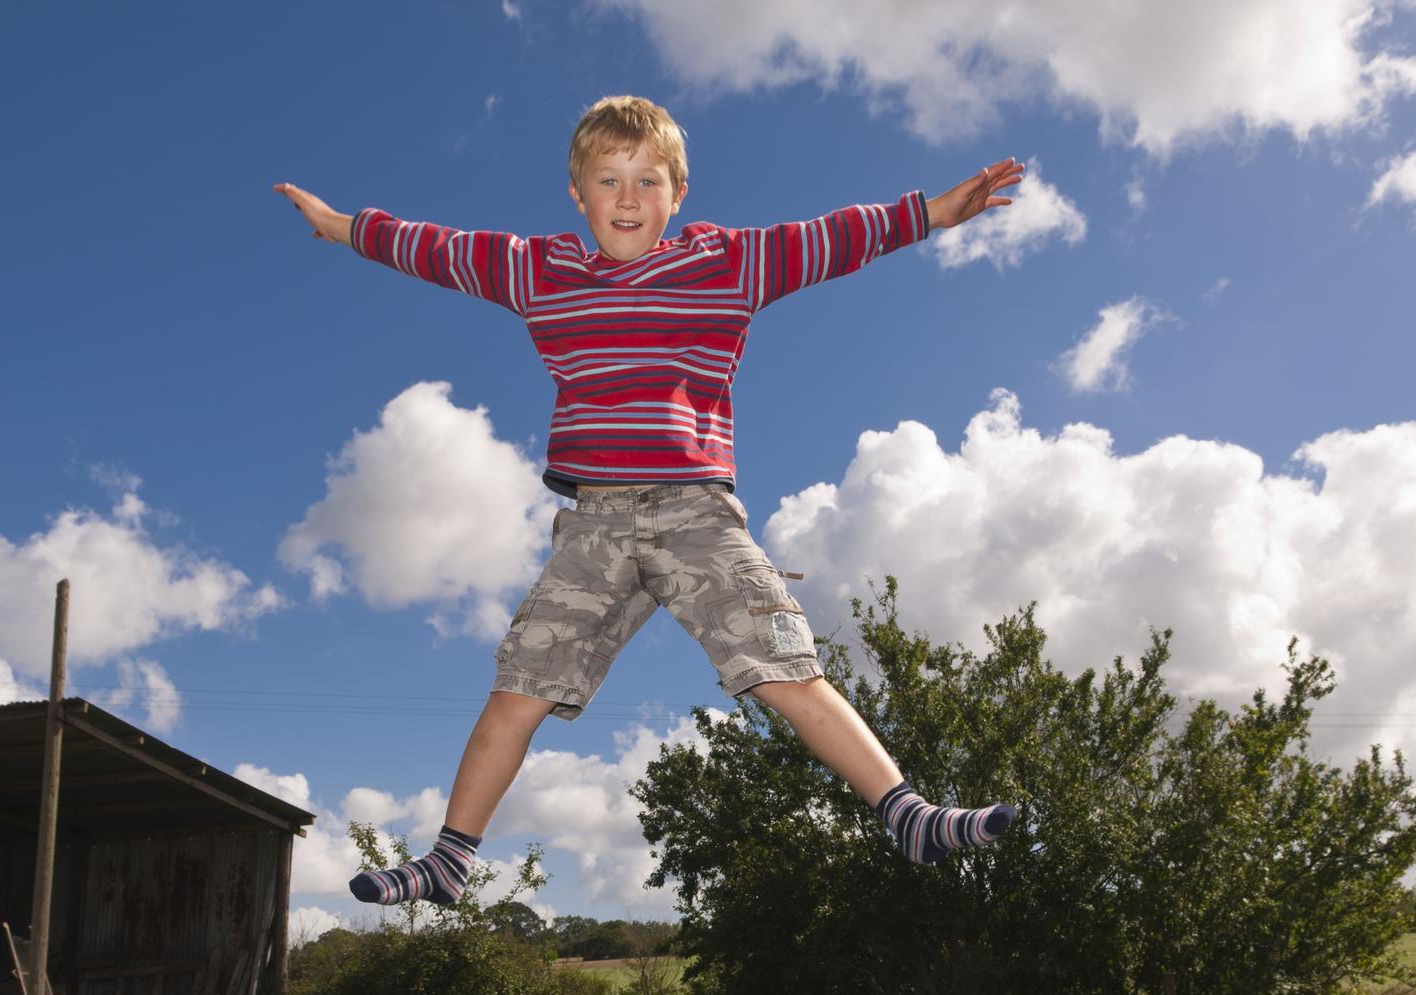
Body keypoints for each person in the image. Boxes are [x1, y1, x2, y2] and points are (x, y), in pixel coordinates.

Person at [276, 95, 1022, 907]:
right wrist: (345, 226)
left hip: (695, 511)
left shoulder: (727, 262)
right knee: (517, 687)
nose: (628, 199)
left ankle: (904, 811)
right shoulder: (540, 270)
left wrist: (931, 213)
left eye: (648, 181)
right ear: (578, 195)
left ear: (678, 195)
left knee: (783, 665)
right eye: (608, 180)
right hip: (594, 521)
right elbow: (438, 250)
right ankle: (451, 859)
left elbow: (828, 239)